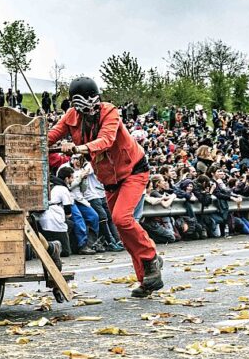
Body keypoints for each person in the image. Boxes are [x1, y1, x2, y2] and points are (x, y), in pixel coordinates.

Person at [47, 77, 164, 297]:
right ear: (76, 106)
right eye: (84, 109)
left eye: (93, 107)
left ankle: (151, 257)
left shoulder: (110, 112)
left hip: (133, 171)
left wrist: (78, 148)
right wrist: (32, 142)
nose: (90, 113)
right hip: (109, 180)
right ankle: (146, 281)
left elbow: (106, 140)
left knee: (122, 219)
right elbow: (51, 136)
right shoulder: (71, 117)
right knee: (123, 232)